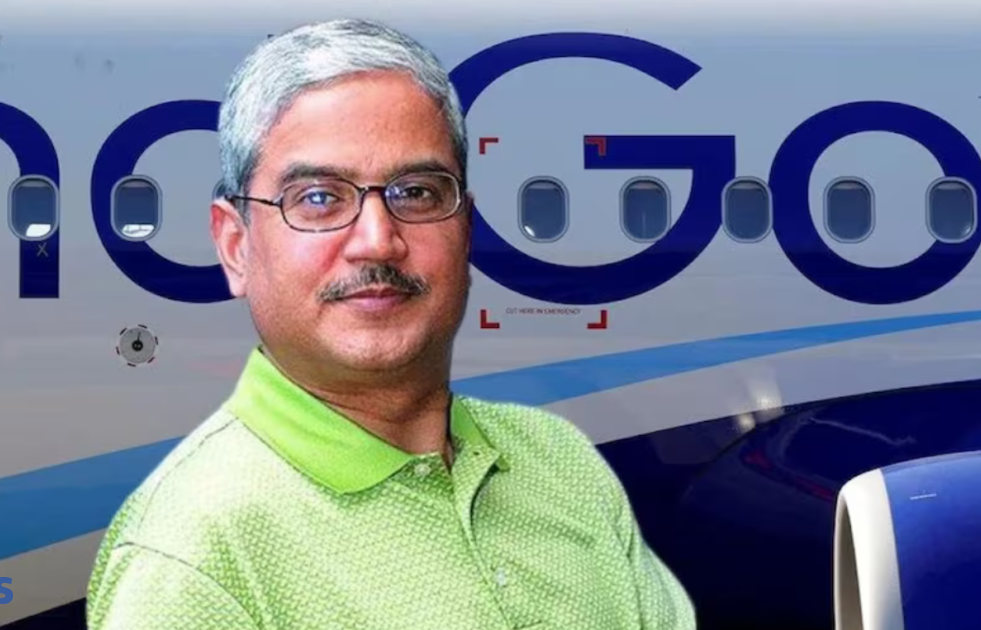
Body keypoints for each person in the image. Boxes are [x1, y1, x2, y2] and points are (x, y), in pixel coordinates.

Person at [86, 18, 695, 630]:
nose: (377, 241)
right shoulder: (193, 557)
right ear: (235, 245)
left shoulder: (561, 463)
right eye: (318, 197)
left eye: (416, 193)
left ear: (465, 228)